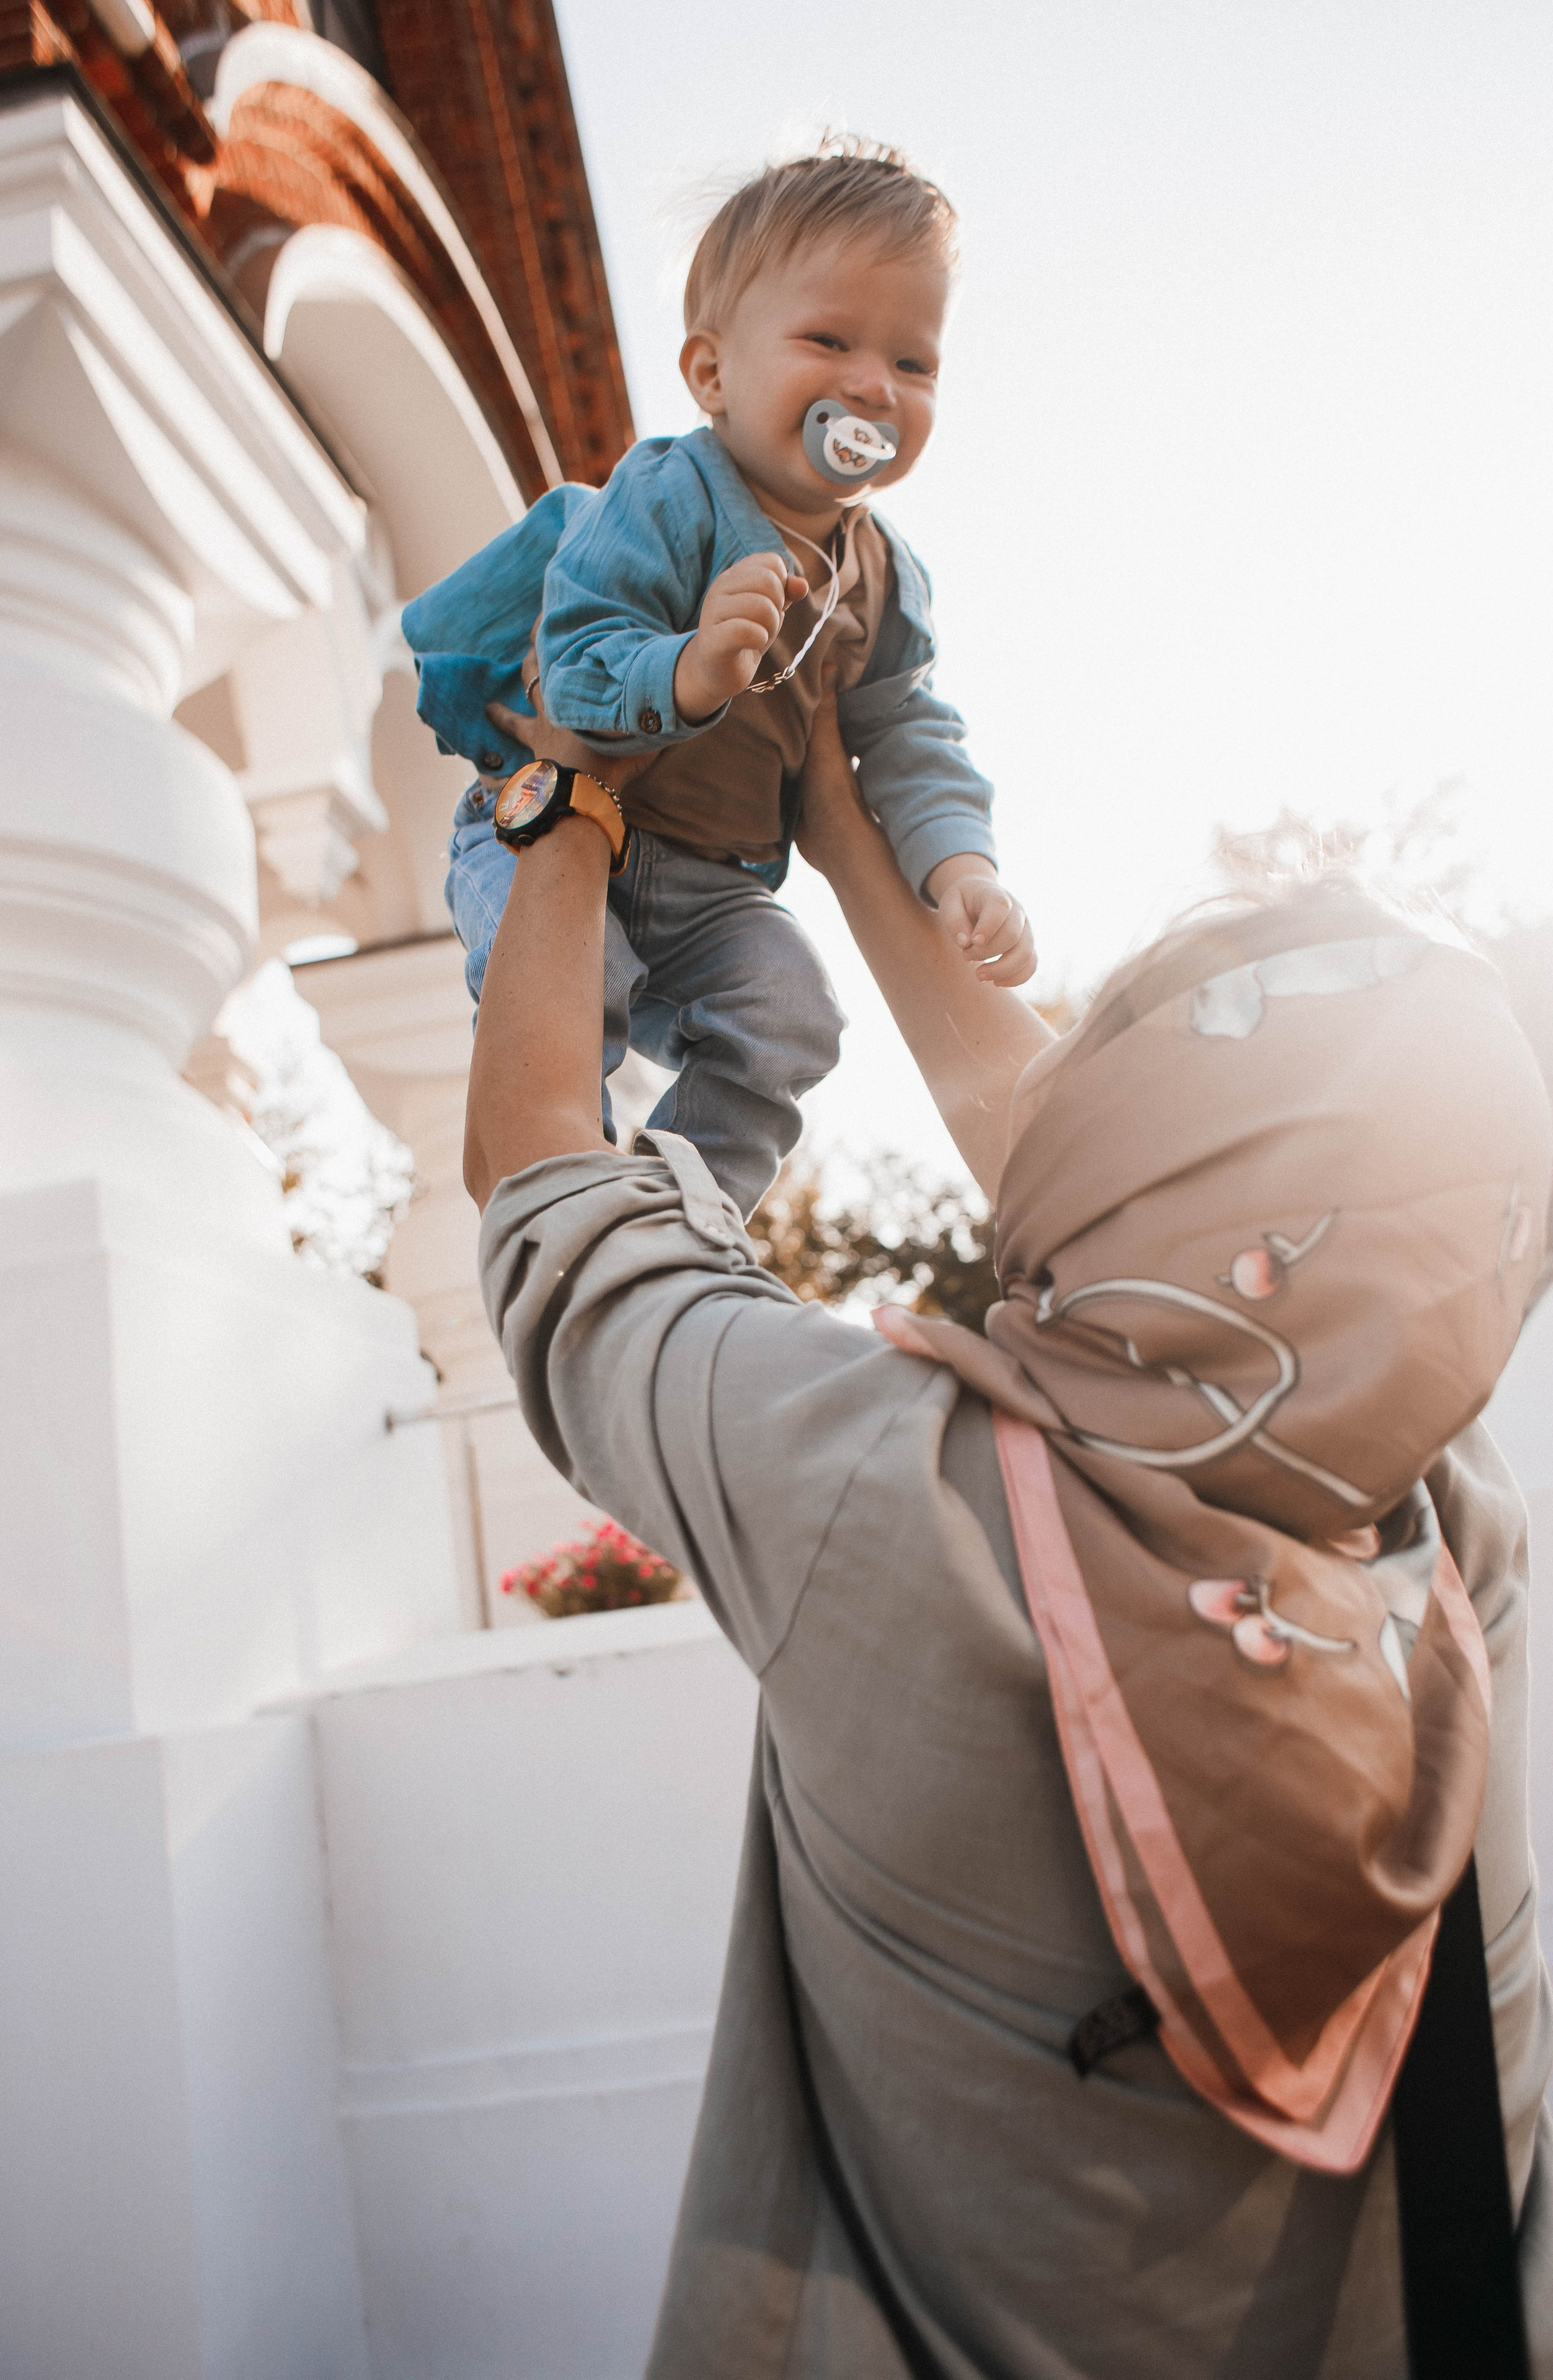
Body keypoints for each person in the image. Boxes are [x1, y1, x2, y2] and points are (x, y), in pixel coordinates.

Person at [462, 673, 1553, 2378]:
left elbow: (544, 1185)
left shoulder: (860, 1490)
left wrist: (566, 813)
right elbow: (1231, 1220)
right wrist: (840, 806)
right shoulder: (1456, 1560)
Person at [405, 141, 1033, 1221]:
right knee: (575, 983)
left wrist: (961, 868)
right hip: (553, 832)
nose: (873, 386)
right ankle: (572, 1211)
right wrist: (689, 669)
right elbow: (577, 655)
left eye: (913, 363)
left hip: (711, 881)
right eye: (828, 340)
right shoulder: (668, 493)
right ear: (711, 375)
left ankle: (682, 1218)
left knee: (794, 1013)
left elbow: (910, 734)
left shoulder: (884, 576)